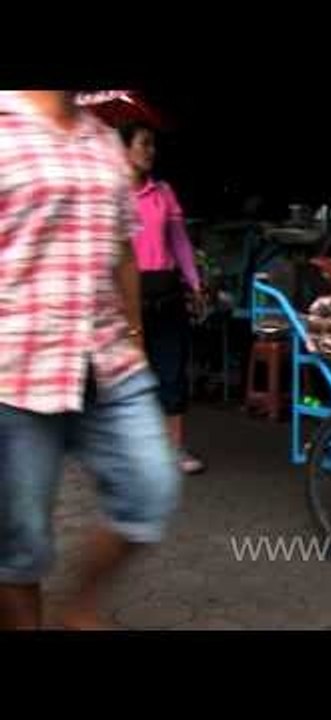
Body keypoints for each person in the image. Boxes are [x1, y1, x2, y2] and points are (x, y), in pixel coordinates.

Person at [0, 91, 181, 629]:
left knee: (151, 490)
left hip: (107, 360)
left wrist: (136, 336)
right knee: (20, 542)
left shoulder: (104, 142)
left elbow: (124, 251)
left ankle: (79, 605)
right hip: (16, 367)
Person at [120, 121, 206, 474]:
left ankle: (175, 450)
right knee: (130, 376)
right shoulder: (111, 195)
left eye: (153, 144)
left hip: (167, 291)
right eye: (143, 144)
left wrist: (195, 284)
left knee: (172, 372)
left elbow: (180, 243)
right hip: (127, 297)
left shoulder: (163, 193)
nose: (150, 151)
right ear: (124, 150)